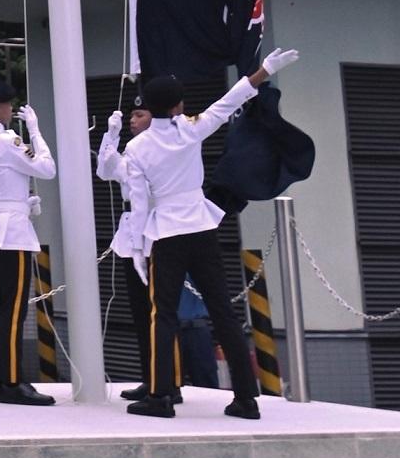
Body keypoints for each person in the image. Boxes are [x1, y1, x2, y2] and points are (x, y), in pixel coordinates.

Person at [120, 46, 297, 420]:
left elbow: (138, 205)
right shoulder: (190, 128)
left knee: (162, 315)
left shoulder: (136, 148)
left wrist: (137, 249)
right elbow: (226, 102)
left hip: (165, 232)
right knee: (222, 312)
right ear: (176, 106)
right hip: (201, 228)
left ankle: (160, 395)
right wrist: (264, 70)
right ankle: (247, 398)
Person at [0, 74, 56, 407]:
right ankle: (12, 382)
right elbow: (46, 168)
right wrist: (34, 130)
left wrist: (23, 199)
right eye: (7, 105)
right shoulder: (8, 140)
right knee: (14, 310)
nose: (9, 111)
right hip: (12, 233)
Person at [96, 104, 176, 404]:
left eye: (139, 115)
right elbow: (104, 170)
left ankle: (172, 381)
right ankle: (151, 378)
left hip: (158, 232)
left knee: (161, 312)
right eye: (131, 116)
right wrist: (111, 134)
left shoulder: (164, 148)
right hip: (131, 236)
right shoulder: (129, 153)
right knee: (141, 315)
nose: (133, 120)